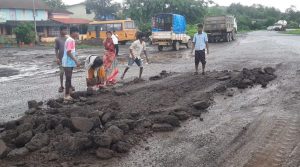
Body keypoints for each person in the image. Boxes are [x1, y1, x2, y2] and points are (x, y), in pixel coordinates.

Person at [62, 27, 80, 100]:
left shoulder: (71, 40)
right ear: (73, 33)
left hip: (69, 61)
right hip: (67, 62)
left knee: (69, 78)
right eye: (77, 32)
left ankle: (69, 92)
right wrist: (76, 60)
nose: (78, 34)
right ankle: (66, 95)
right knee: (68, 78)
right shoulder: (71, 40)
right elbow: (68, 52)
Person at [55, 26, 67, 93]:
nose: (65, 31)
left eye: (66, 30)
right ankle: (61, 86)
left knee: (68, 73)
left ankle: (69, 85)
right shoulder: (57, 39)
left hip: (67, 58)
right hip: (61, 58)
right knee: (62, 72)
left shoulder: (68, 38)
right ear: (60, 31)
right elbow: (56, 49)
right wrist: (57, 58)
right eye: (64, 30)